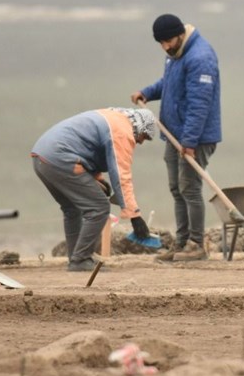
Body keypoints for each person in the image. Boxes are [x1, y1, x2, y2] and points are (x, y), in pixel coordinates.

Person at [130, 13, 222, 262]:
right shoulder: (176, 53)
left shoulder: (200, 58)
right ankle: (181, 243)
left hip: (195, 137)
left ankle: (196, 244)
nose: (165, 47)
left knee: (189, 188)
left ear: (180, 34)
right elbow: (170, 83)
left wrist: (190, 141)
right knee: (176, 188)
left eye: (168, 41)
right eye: (161, 43)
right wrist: (147, 93)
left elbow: (199, 105)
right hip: (175, 135)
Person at [31, 107, 157, 272]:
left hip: (41, 157)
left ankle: (76, 258)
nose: (141, 142)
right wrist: (134, 216)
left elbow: (89, 149)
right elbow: (121, 175)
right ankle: (81, 259)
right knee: (99, 208)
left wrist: (98, 179)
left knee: (72, 208)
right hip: (60, 158)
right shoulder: (122, 132)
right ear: (139, 127)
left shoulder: (113, 117)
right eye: (144, 136)